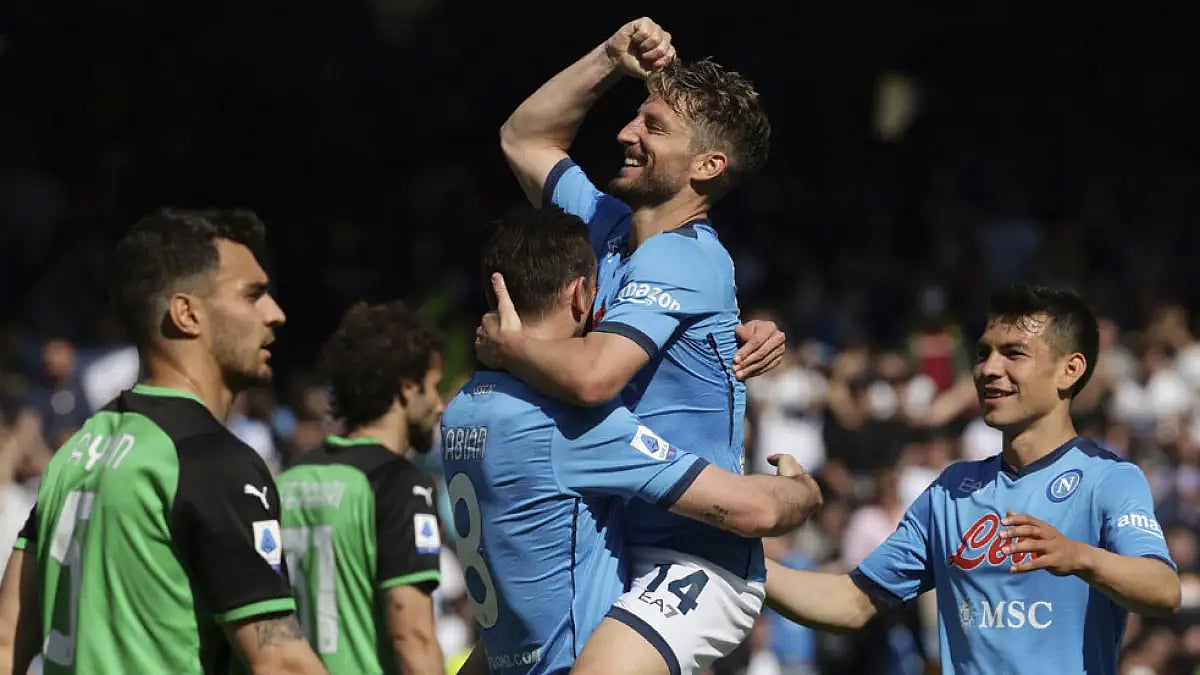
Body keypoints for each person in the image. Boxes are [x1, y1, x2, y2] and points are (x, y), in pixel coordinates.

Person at [483, 17, 781, 673]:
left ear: (708, 165)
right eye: (635, 116)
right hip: (614, 544)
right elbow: (522, 137)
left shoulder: (686, 257)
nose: (625, 133)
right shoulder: (606, 226)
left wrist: (508, 348)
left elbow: (594, 378)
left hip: (697, 556)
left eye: (654, 127)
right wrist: (609, 59)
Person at [447, 207, 821, 674]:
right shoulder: (570, 424)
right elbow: (756, 511)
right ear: (582, 295)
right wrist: (802, 493)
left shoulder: (460, 409)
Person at [765, 284, 1182, 674]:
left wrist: (1080, 557)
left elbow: (1163, 590)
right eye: (984, 353)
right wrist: (737, 558)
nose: (988, 369)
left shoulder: (1108, 479)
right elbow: (850, 603)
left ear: (1069, 370)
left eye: (1014, 354)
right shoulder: (950, 491)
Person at [0, 209, 327, 674]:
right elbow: (280, 661)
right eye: (253, 295)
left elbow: (7, 637)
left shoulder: (77, 453)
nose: (276, 314)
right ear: (187, 313)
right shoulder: (210, 461)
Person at [277, 301, 446, 674]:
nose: (438, 405)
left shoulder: (286, 481)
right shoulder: (400, 485)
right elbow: (412, 637)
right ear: (406, 389)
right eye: (433, 388)